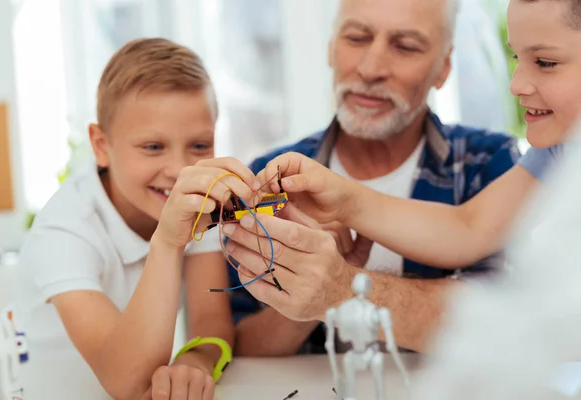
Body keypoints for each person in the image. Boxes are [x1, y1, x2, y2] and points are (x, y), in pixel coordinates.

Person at [226, 0, 581, 355]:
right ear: (330, 48)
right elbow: (469, 226)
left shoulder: (495, 159)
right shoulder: (555, 151)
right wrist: (347, 200)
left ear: (444, 67)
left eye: (545, 63)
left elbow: (506, 320)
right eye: (357, 37)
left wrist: (341, 287)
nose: (371, 68)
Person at [14, 38, 257, 400]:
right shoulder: (64, 231)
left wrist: (196, 360)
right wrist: (168, 240)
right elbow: (127, 382)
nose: (179, 170)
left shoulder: (198, 200)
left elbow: (211, 320)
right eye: (153, 147)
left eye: (199, 146)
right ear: (100, 145)